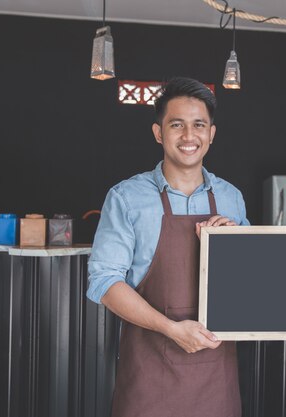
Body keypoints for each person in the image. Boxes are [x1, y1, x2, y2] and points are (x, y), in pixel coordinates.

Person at [87, 77, 248, 417]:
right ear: (159, 133)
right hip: (150, 376)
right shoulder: (126, 198)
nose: (189, 136)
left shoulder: (232, 199)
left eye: (198, 125)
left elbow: (249, 288)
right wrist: (172, 330)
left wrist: (235, 247)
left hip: (216, 377)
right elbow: (104, 282)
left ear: (212, 134)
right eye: (177, 125)